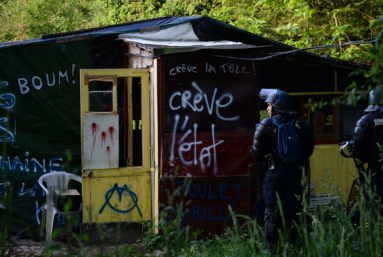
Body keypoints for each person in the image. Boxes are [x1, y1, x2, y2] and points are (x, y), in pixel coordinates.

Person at [251, 89, 315, 249]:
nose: (267, 109)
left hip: (274, 176)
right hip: (297, 175)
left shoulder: (266, 125)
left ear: (276, 105)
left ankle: (271, 249)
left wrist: (270, 160)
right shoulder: (302, 123)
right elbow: (308, 151)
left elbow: (256, 154)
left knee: (272, 212)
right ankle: (297, 248)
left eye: (268, 105)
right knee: (295, 212)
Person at [346, 87, 383, 207]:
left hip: (376, 171)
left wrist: (362, 173)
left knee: (372, 205)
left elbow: (357, 150)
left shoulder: (366, 120)